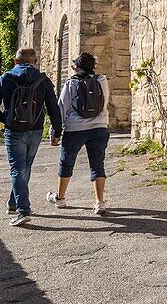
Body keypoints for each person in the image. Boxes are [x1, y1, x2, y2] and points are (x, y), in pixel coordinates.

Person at [0, 48, 62, 227]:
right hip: (35, 130)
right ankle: (14, 204)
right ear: (35, 61)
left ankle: (22, 210)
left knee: (18, 168)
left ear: (15, 61)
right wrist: (57, 131)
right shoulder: (43, 80)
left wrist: (6, 119)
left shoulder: (5, 78)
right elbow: (53, 107)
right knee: (25, 167)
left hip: (14, 131)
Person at [47, 52, 112, 215]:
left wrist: (55, 131)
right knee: (97, 164)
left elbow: (62, 107)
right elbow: (105, 101)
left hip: (75, 129)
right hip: (100, 127)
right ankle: (99, 202)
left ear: (78, 66)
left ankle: (60, 198)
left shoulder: (71, 83)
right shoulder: (102, 80)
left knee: (67, 163)